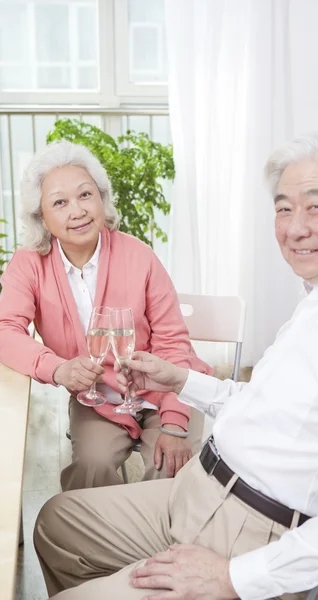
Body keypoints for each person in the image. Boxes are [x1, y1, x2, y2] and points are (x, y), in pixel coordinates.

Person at [34, 131, 318, 600]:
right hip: (199, 489)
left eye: (315, 206)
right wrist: (180, 379)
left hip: (250, 530)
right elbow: (265, 404)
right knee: (56, 523)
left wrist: (231, 578)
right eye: (284, 208)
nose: (293, 227)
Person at [0, 140, 211, 491]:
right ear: (42, 217)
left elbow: (173, 343)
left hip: (164, 389)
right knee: (91, 469)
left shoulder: (139, 255)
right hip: (96, 400)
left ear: (101, 199)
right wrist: (57, 368)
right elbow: (5, 330)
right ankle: (98, 542)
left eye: (85, 195)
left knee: (168, 469)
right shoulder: (29, 264)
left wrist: (174, 422)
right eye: (60, 202)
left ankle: (156, 545)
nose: (77, 211)